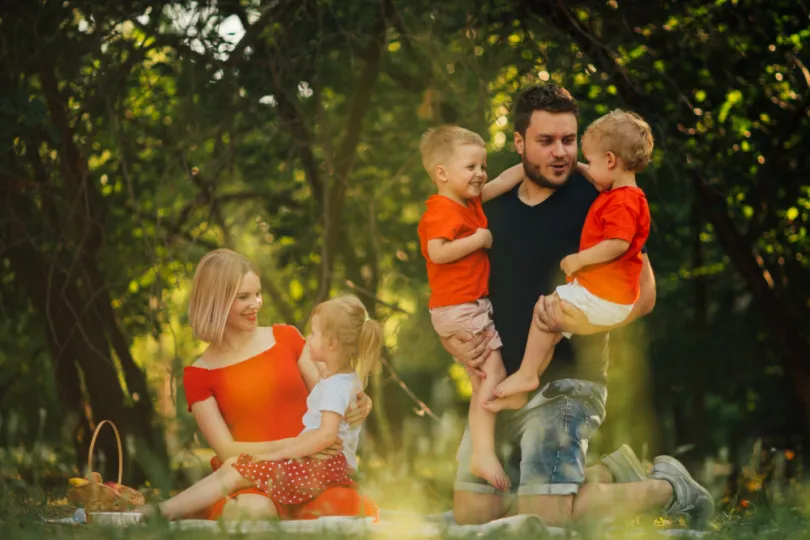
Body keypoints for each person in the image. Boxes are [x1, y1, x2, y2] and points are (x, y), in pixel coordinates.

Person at [441, 83, 714, 529]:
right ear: (518, 142)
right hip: (499, 383)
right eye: (546, 141)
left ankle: (669, 488)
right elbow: (455, 284)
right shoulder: (493, 205)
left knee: (541, 521)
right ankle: (606, 474)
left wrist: (585, 326)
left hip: (568, 385)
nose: (561, 152)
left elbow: (643, 297)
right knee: (473, 517)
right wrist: (454, 340)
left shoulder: (601, 198)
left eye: (568, 140)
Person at [176, 249, 377, 520]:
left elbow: (331, 387)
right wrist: (295, 445)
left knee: (348, 512)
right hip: (253, 479)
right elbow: (226, 451)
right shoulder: (199, 374)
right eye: (243, 297)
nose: (256, 303)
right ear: (216, 301)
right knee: (253, 515)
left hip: (310, 472)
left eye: (257, 293)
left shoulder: (286, 338)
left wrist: (361, 402)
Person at [494, 109, 653, 400]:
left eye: (589, 161)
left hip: (604, 304)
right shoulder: (618, 193)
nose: (585, 168)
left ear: (610, 160)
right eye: (545, 141)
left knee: (545, 311)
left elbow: (618, 244)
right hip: (602, 294)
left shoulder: (622, 202)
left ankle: (527, 375)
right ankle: (526, 381)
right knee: (551, 329)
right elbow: (589, 169)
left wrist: (580, 260)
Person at [417, 125, 525, 490]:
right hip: (460, 309)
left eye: (483, 165)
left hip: (464, 308)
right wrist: (479, 239)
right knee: (491, 375)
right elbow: (437, 252)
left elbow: (505, 181)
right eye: (471, 167)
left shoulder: (469, 201)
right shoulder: (442, 211)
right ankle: (483, 453)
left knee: (482, 377)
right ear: (441, 174)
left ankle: (484, 441)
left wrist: (534, 163)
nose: (481, 174)